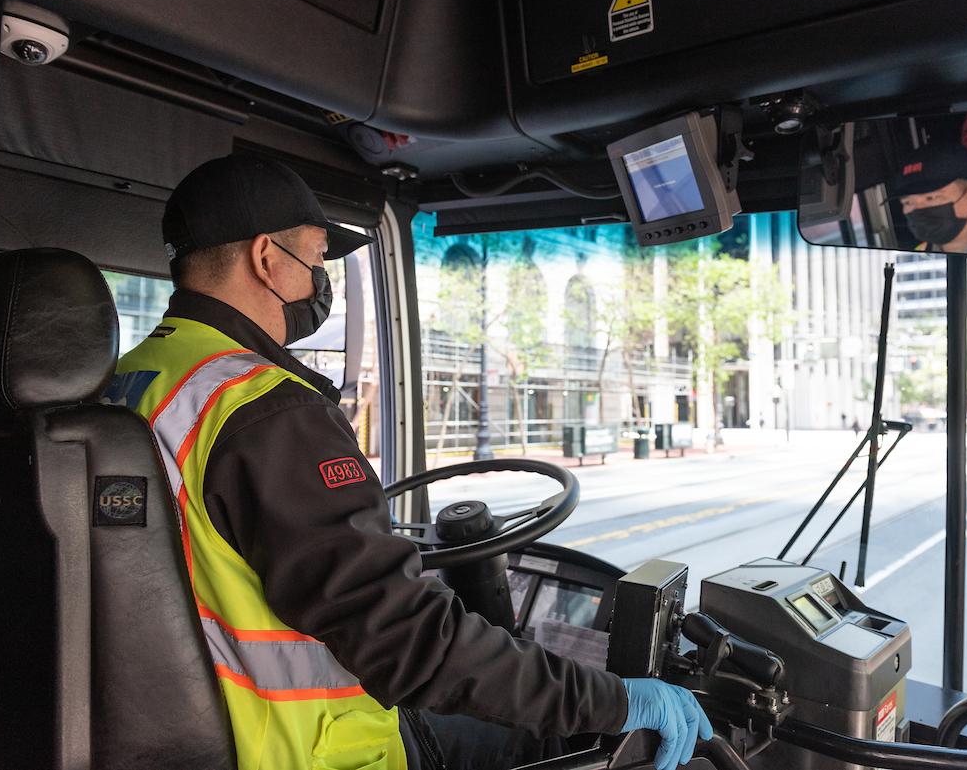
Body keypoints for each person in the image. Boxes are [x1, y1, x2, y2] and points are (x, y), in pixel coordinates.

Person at [106, 155, 710, 770]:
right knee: (561, 737)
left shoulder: (128, 383)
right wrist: (612, 703)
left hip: (194, 730)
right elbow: (405, 638)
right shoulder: (263, 407)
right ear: (267, 259)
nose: (319, 279)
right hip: (309, 747)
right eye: (315, 259)